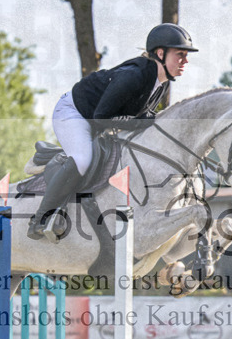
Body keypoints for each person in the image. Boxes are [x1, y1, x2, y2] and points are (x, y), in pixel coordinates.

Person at [27, 23, 198, 241]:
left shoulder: (160, 83)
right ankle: (40, 218)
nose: (185, 61)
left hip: (97, 119)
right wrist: (139, 123)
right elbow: (101, 117)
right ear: (160, 53)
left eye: (186, 55)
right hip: (74, 113)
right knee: (82, 159)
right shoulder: (133, 76)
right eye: (180, 54)